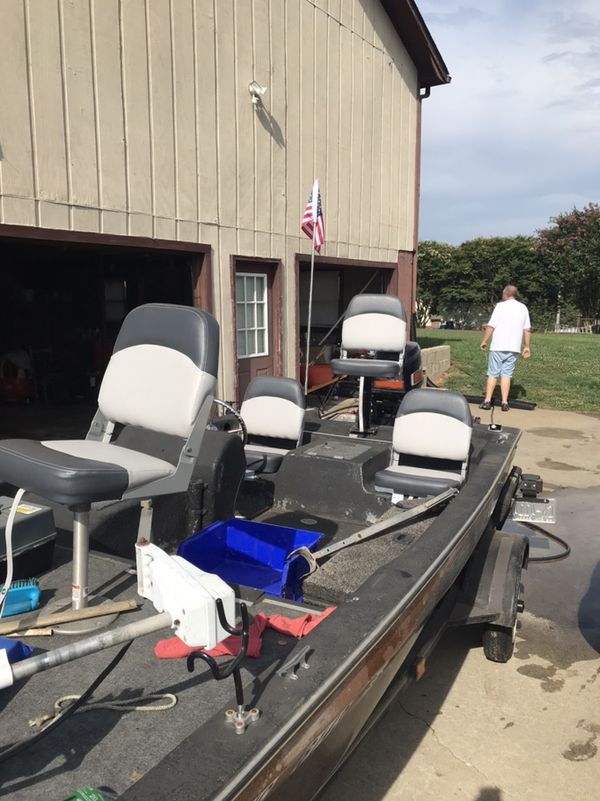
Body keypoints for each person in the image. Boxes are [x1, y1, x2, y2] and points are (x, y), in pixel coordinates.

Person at [479, 285, 531, 411]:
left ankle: (487, 401)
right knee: (506, 375)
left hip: (498, 346)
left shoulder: (500, 306)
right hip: (513, 347)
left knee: (492, 374)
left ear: (505, 294)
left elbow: (491, 325)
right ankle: (504, 402)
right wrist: (527, 346)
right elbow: (527, 329)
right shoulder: (523, 307)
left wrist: (484, 340)